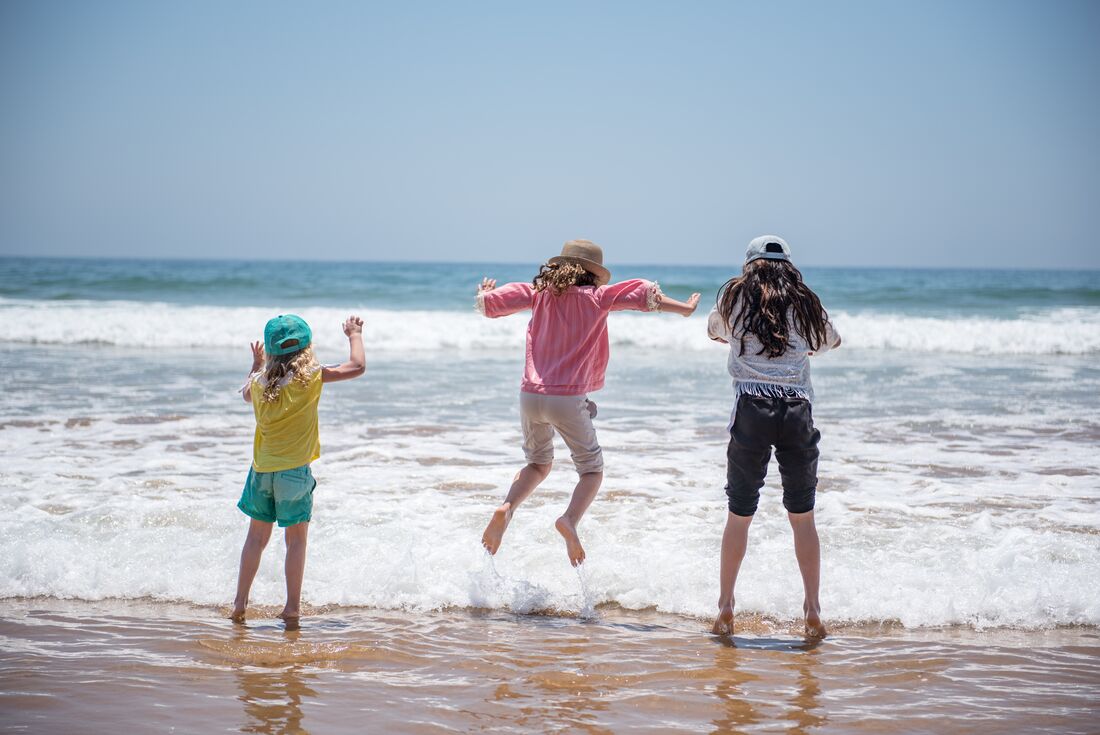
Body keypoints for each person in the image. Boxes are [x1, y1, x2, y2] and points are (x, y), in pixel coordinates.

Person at [476, 239, 701, 566]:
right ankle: (569, 520)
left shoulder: (539, 294)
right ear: (594, 274)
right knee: (591, 471)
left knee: (538, 464)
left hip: (530, 395)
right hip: (567, 398)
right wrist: (685, 308)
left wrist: (486, 293)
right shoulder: (599, 297)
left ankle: (507, 509)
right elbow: (642, 297)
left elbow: (493, 305)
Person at [707, 236, 841, 638]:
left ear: (749, 266)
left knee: (739, 515)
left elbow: (714, 330)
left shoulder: (734, 299)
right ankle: (812, 609)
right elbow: (831, 340)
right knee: (802, 517)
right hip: (796, 410)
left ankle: (726, 606)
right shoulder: (805, 302)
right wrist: (806, 349)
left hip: (752, 408)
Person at [230, 314, 366, 625]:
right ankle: (291, 607)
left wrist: (256, 363)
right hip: (294, 473)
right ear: (306, 348)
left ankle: (239, 604)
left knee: (255, 539)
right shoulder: (311, 377)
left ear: (272, 351)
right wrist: (354, 334)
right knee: (295, 541)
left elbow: (245, 394)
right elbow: (357, 366)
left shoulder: (258, 382)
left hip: (261, 472)